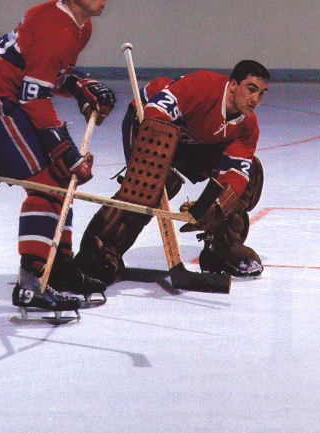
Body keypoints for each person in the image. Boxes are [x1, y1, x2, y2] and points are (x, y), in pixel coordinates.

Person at [0, 0, 116, 317]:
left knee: (59, 180)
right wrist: (67, 151)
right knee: (50, 183)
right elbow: (33, 95)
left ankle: (60, 268)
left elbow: (44, 72)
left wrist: (78, 87)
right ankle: (31, 285)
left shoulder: (77, 24)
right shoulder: (59, 29)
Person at [75, 60, 269, 284]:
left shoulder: (248, 126)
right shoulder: (204, 85)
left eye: (262, 93)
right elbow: (156, 111)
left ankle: (220, 249)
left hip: (191, 141)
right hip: (147, 122)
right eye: (251, 89)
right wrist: (157, 162)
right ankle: (102, 251)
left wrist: (214, 210)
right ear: (233, 85)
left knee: (250, 174)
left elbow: (236, 175)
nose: (255, 100)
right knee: (155, 182)